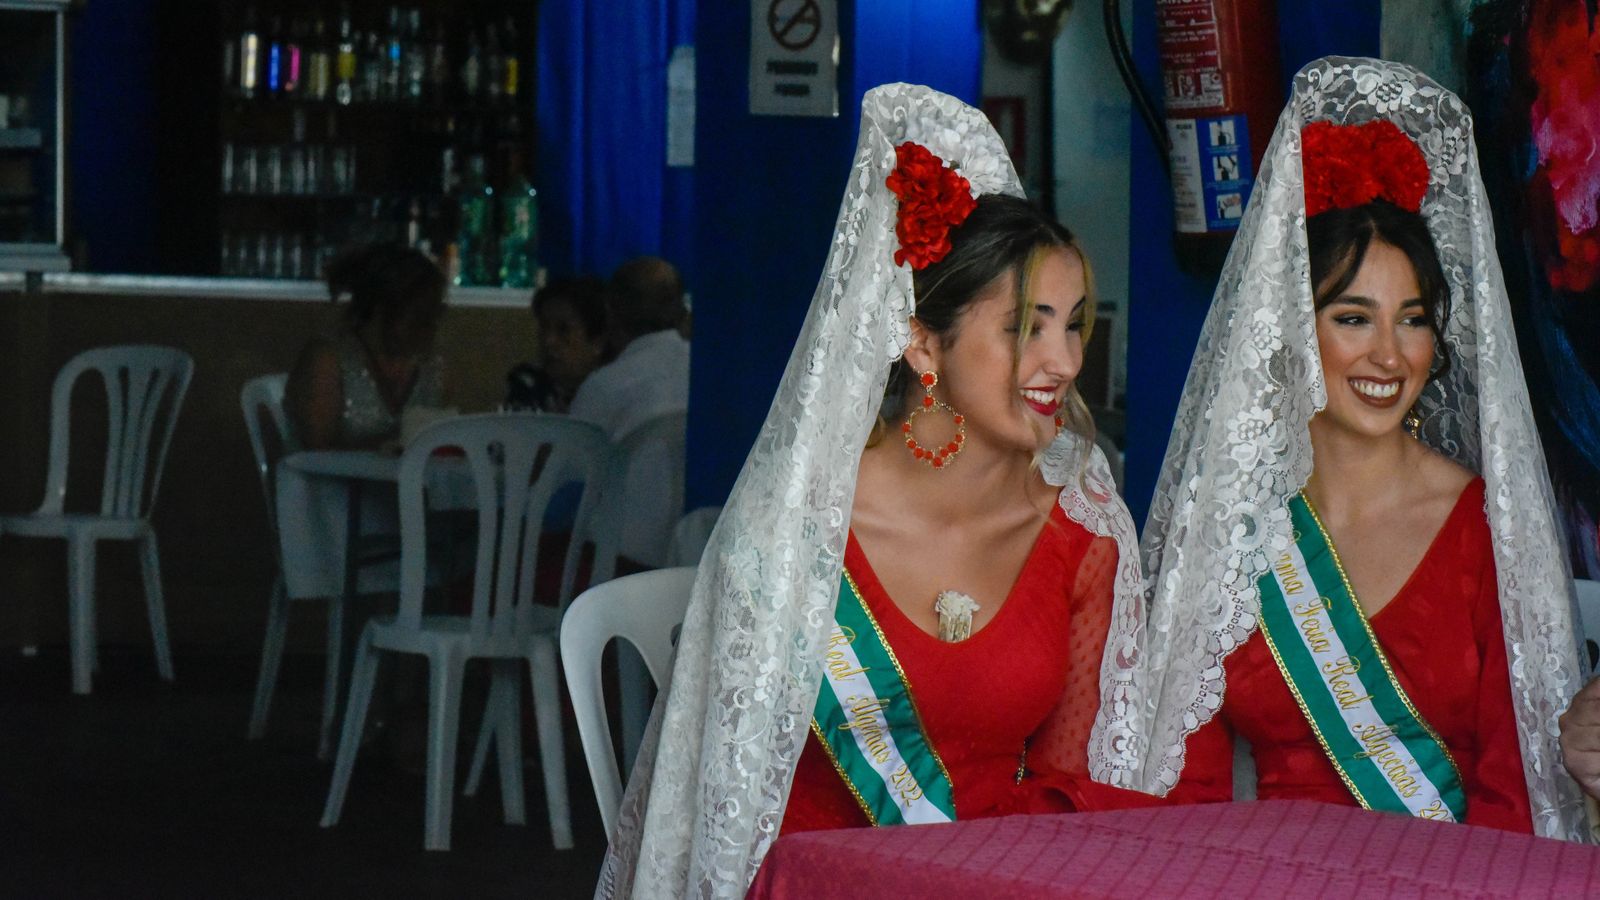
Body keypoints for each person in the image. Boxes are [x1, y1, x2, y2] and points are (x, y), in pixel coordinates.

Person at [598, 85, 1152, 899]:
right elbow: (725, 796)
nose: (1064, 362)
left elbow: (1074, 789)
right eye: (1024, 327)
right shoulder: (797, 531)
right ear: (925, 345)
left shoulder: (1082, 535)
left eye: (1073, 324)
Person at [1095, 57, 1590, 841]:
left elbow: (1517, 790)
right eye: (1354, 318)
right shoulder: (1233, 530)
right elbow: (1182, 784)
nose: (1389, 357)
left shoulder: (1482, 528)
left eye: (1414, 318)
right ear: (1293, 332)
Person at [569, 256, 692, 572]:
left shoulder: (606, 386)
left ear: (610, 313)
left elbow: (566, 482)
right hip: (689, 552)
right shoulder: (705, 375)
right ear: (681, 309)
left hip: (610, 559)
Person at [286, 243, 448, 450]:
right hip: (331, 482)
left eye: (435, 314)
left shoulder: (432, 369)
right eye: (417, 316)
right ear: (379, 309)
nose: (428, 327)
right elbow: (316, 453)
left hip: (407, 482)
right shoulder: (328, 361)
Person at [504, 276, 608, 413]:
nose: (548, 340)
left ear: (597, 343)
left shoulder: (614, 389)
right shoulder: (529, 383)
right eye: (544, 327)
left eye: (563, 330)